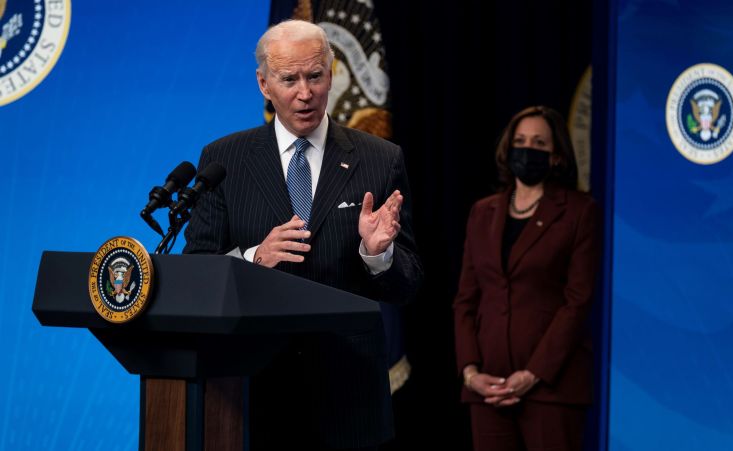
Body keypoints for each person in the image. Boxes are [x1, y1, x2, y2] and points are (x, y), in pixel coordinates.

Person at [183, 20, 423, 450]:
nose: (305, 92)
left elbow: (408, 284)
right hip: (251, 390)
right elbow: (196, 272)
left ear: (332, 74)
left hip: (348, 391)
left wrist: (376, 255)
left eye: (315, 76)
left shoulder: (379, 159)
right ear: (264, 84)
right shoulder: (223, 159)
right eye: (289, 79)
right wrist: (254, 258)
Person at [453, 106, 599, 451]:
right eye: (520, 141)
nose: (527, 149)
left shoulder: (580, 212)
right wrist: (471, 374)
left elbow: (577, 302)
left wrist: (533, 374)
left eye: (538, 142)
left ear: (556, 156)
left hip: (551, 388)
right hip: (487, 387)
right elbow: (466, 300)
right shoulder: (482, 211)